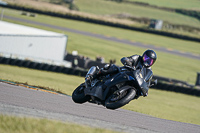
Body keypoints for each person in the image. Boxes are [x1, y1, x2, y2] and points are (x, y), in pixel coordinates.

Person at [85, 49, 157, 96]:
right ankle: (94, 75)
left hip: (134, 81)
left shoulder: (149, 71)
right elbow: (128, 59)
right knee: (113, 68)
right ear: (143, 56)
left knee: (138, 94)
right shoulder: (137, 58)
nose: (147, 61)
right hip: (125, 72)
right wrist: (127, 61)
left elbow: (147, 81)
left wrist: (147, 87)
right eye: (146, 58)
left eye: (149, 61)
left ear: (152, 62)